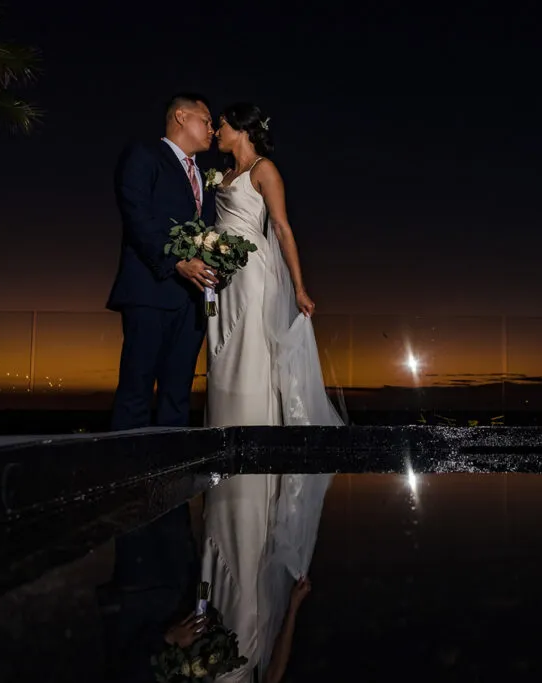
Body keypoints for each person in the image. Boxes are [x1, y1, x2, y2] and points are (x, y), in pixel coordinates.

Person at [200, 102, 342, 682]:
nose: (216, 133)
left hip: (254, 275)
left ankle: (252, 437)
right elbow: (279, 665)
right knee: (223, 355)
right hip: (223, 275)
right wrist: (296, 608)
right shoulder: (221, 176)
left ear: (242, 130)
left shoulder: (263, 169)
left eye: (223, 125)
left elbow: (281, 226)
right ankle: (222, 438)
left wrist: (301, 287)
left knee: (250, 353)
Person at [102, 92, 219, 682]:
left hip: (190, 297)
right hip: (152, 286)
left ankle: (170, 493)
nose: (212, 125)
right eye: (205, 118)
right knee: (135, 391)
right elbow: (136, 212)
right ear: (181, 119)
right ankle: (122, 490)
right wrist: (176, 263)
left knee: (176, 394)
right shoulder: (145, 154)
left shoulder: (202, 174)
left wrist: (207, 267)